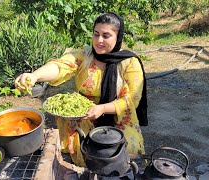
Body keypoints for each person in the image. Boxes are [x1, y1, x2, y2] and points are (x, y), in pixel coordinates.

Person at [15, 13, 147, 167]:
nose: (99, 41)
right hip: (82, 115)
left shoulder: (129, 62)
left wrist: (102, 108)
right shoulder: (85, 55)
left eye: (106, 35)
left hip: (117, 117)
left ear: (118, 37)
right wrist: (35, 75)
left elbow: (132, 99)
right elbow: (61, 65)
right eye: (96, 34)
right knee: (84, 152)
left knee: (119, 156)